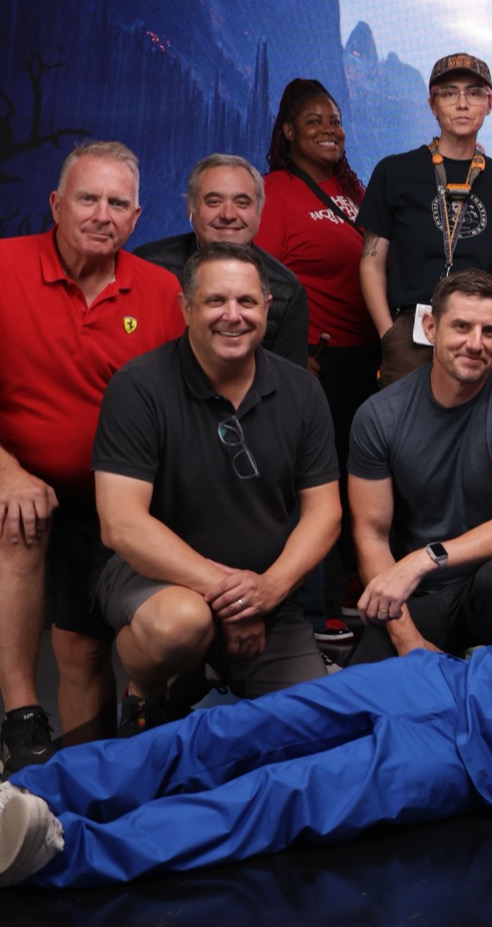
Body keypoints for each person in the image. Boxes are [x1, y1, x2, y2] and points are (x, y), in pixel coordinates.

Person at [0, 509, 492, 889]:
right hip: (442, 682)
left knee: (283, 796)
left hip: (469, 764)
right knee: (241, 727)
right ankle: (33, 788)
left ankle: (68, 852)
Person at [0, 139, 185, 772]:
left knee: (84, 649)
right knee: (19, 523)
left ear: (137, 219)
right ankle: (23, 722)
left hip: (109, 489)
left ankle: (96, 766)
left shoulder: (162, 291)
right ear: (56, 204)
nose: (101, 215)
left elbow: (180, 410)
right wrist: (6, 474)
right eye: (87, 198)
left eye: (118, 203)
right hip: (7, 469)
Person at [90, 243, 342, 731]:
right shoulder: (138, 387)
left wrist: (268, 590)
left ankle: (204, 681)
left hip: (265, 591)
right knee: (182, 624)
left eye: (247, 302)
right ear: (186, 307)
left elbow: (324, 513)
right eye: (215, 301)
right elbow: (121, 523)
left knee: (316, 729)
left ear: (267, 308)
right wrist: (230, 596)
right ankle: (148, 688)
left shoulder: (302, 390)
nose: (233, 316)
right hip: (157, 584)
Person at [347, 268, 492, 661]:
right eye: (461, 326)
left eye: (490, 331)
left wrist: (424, 559)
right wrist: (408, 641)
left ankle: (489, 669)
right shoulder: (379, 415)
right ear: (430, 326)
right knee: (367, 679)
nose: (475, 344)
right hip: (421, 593)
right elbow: (370, 534)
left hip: (490, 585)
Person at [357, 53, 492, 385]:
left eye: (474, 93)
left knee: (488, 431)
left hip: (485, 332)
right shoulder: (394, 172)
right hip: (412, 331)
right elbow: (371, 262)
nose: (462, 104)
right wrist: (388, 332)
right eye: (449, 93)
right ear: (432, 104)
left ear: (490, 103)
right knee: (408, 432)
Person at [253, 78, 374, 463]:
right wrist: (281, 355)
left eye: (335, 121)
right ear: (288, 130)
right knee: (320, 473)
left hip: (368, 359)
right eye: (314, 121)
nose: (329, 130)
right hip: (318, 362)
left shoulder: (357, 192)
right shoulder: (274, 191)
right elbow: (256, 278)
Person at [136, 155, 310, 364]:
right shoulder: (147, 266)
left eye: (242, 202)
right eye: (214, 201)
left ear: (259, 212)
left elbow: (287, 383)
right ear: (191, 208)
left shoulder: (287, 289)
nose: (228, 214)